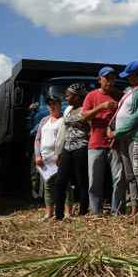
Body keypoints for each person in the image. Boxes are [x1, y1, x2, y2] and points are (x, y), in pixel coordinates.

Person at [108, 61, 138, 217]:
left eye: (129, 76)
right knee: (129, 174)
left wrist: (119, 131)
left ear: (136, 75)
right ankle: (134, 207)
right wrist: (112, 127)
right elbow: (120, 111)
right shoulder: (129, 90)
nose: (127, 78)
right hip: (125, 137)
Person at [81, 67, 123, 216]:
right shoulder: (91, 96)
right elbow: (84, 117)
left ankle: (116, 212)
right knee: (94, 182)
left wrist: (117, 135)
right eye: (107, 78)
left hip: (114, 144)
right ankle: (96, 213)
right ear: (100, 80)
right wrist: (101, 107)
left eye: (112, 78)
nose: (110, 82)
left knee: (118, 179)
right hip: (95, 144)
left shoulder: (120, 95)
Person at [54, 83, 90, 220]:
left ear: (76, 96)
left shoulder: (86, 109)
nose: (66, 98)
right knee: (60, 181)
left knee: (82, 181)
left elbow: (92, 126)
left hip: (81, 147)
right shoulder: (68, 109)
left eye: (68, 95)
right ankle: (59, 215)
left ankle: (82, 212)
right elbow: (63, 130)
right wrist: (58, 151)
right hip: (67, 148)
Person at [34, 95, 73, 220]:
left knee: (64, 184)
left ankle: (68, 213)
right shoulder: (44, 120)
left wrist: (59, 154)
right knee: (48, 185)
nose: (51, 106)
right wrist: (37, 155)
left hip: (59, 157)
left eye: (54, 103)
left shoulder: (64, 120)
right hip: (45, 159)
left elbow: (66, 138)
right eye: (49, 104)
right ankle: (49, 213)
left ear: (60, 105)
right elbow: (38, 138)